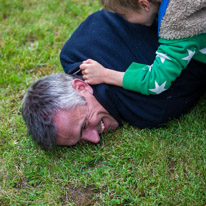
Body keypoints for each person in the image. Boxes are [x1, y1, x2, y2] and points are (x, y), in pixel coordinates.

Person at [22, 9, 206, 150]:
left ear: (80, 86)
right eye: (82, 140)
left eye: (84, 125)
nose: (95, 138)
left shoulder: (147, 110)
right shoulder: (75, 50)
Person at [79, 0, 206, 95]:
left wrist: (104, 74)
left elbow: (156, 81)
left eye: (124, 15)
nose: (126, 20)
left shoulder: (180, 29)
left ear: (144, 5)